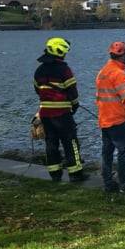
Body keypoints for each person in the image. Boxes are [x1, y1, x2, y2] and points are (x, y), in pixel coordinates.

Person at [34, 37, 88, 183]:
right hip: (62, 114)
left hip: (45, 114)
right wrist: (74, 105)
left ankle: (55, 174)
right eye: (64, 52)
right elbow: (72, 91)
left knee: (51, 144)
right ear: (59, 52)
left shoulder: (39, 70)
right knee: (71, 143)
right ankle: (76, 175)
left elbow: (38, 90)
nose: (65, 55)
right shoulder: (64, 69)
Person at [95, 41, 125, 194]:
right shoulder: (118, 73)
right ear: (124, 55)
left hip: (105, 119)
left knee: (107, 152)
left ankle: (108, 182)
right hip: (118, 120)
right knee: (124, 152)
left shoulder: (103, 71)